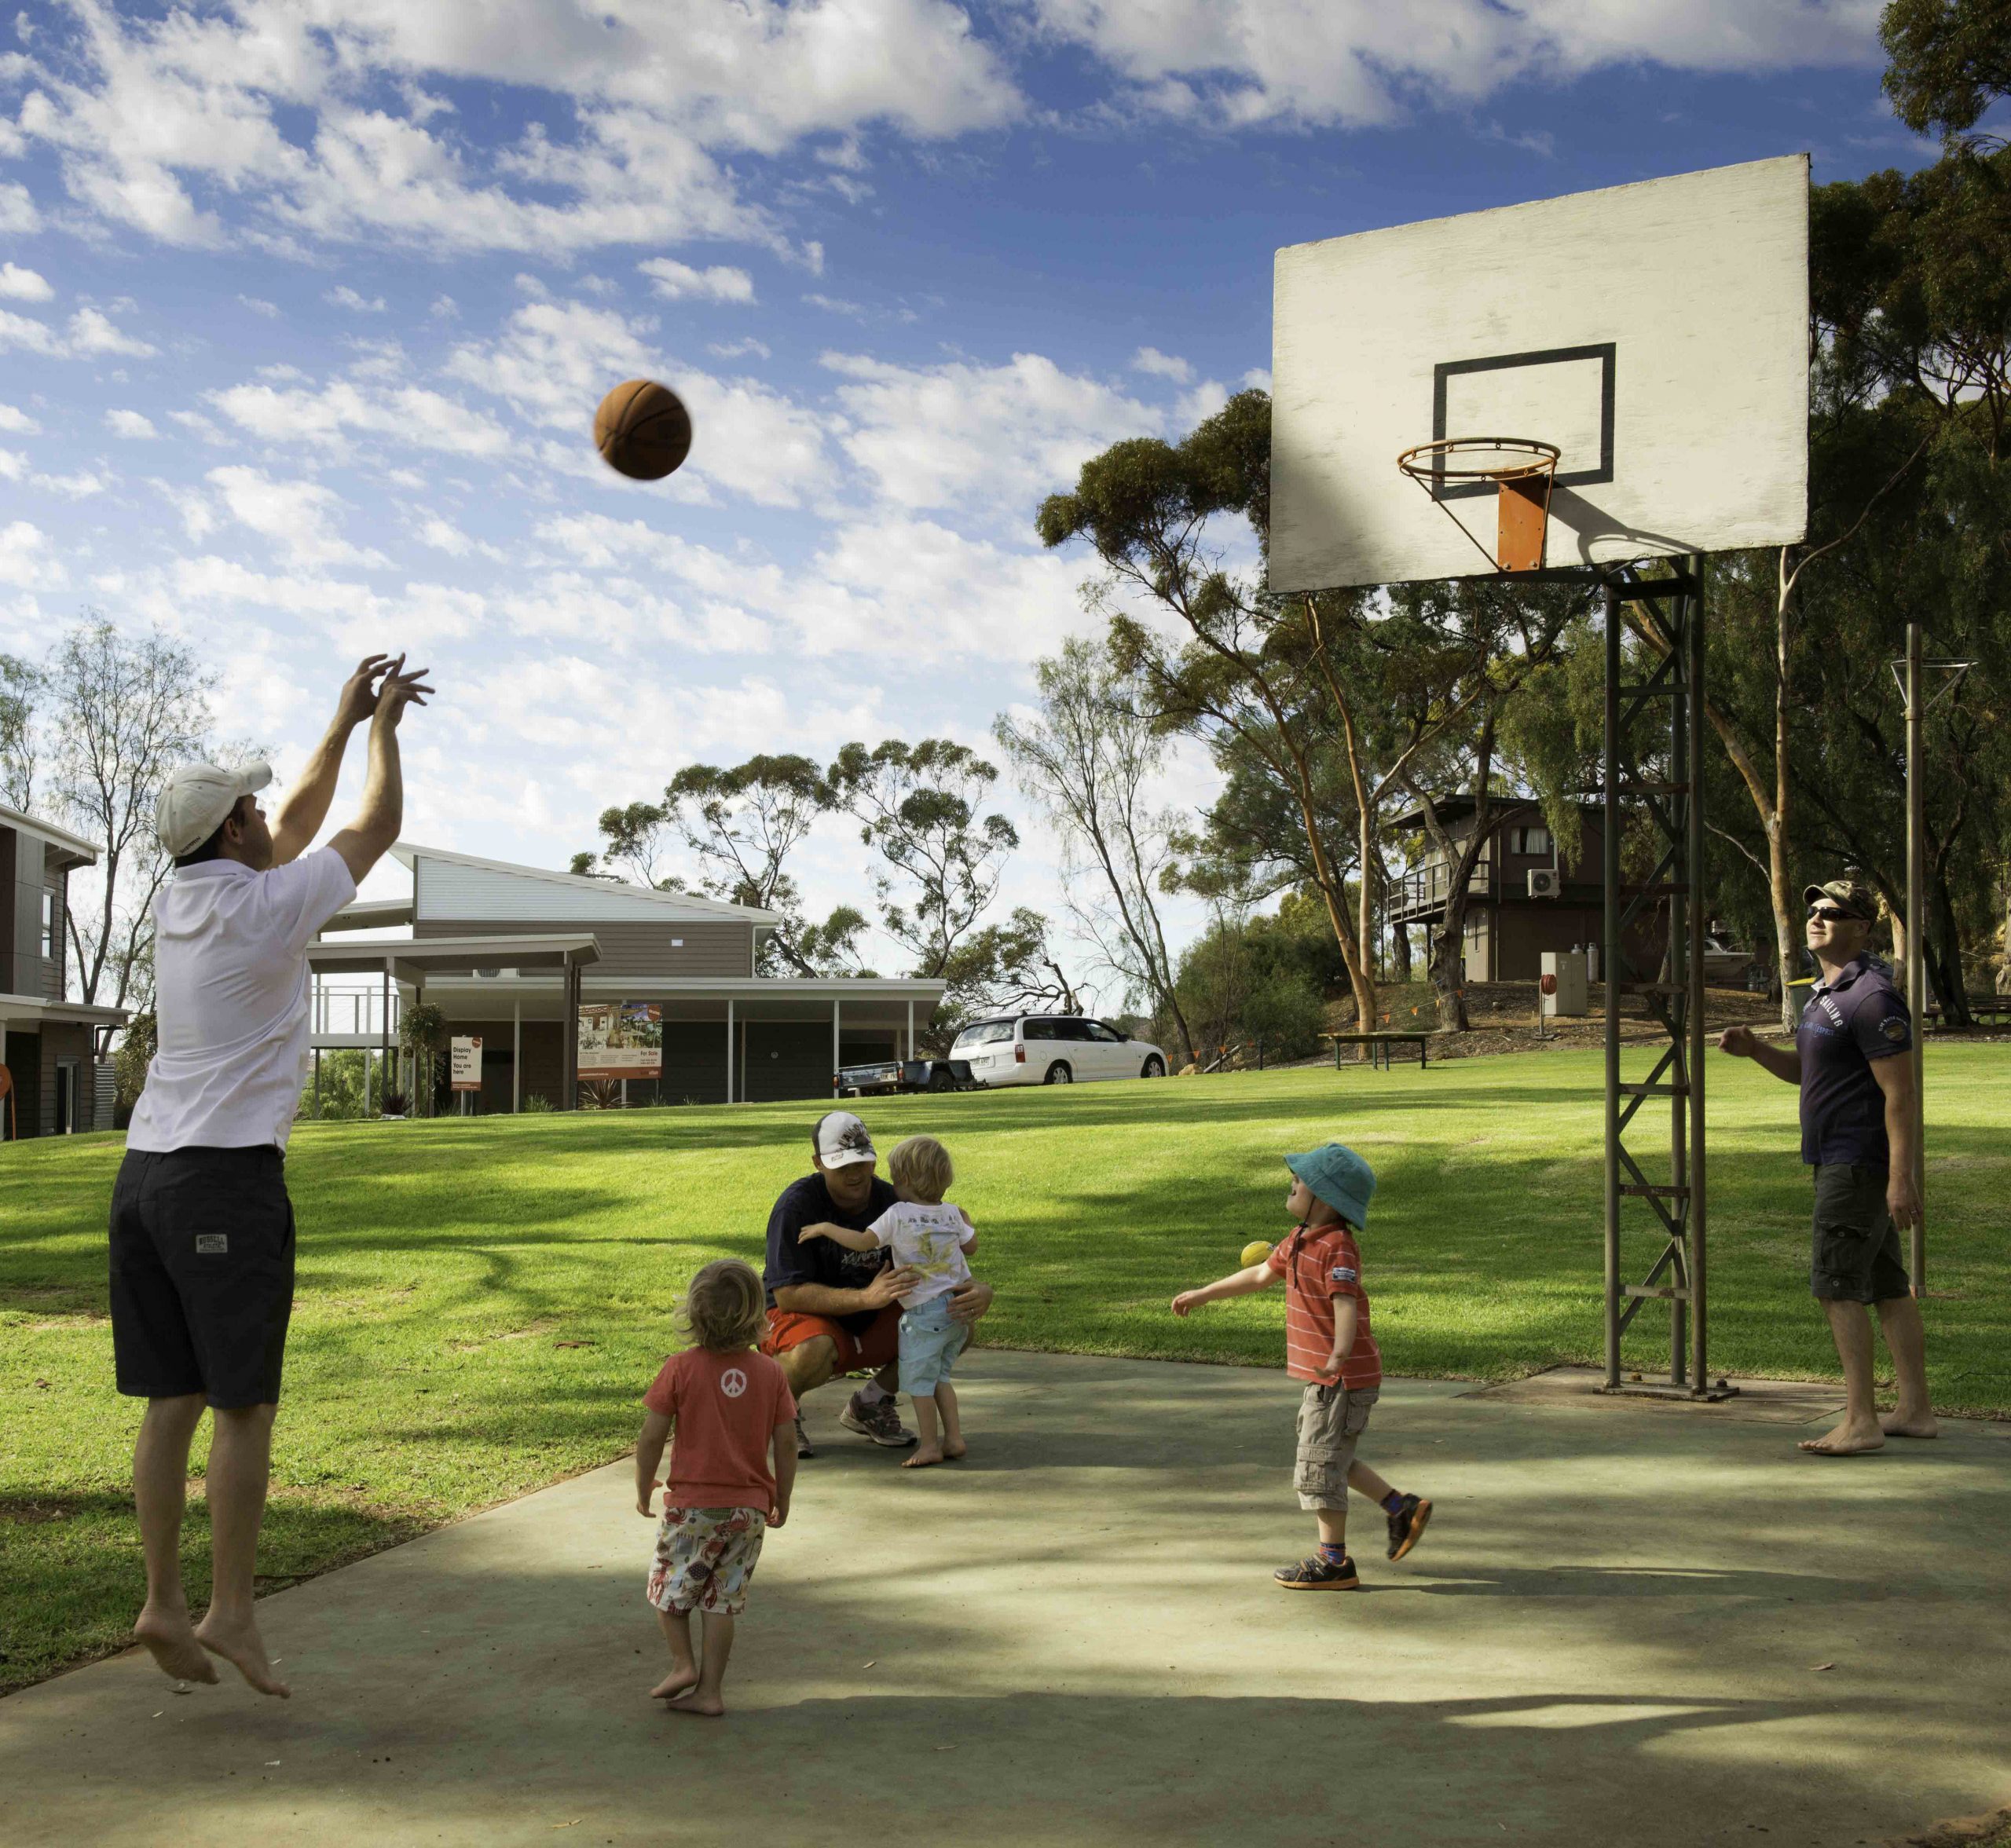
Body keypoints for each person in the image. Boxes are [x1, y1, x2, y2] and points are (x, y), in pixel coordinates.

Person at [112, 653, 431, 1696]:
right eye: (249, 807)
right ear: (234, 833)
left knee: (174, 1397)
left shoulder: (184, 895)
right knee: (243, 1403)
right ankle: (232, 1611)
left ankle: (164, 1597)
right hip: (221, 1182)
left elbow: (294, 819)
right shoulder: (265, 908)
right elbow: (368, 829)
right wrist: (385, 727)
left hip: (145, 1178)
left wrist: (337, 721)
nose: (264, 813)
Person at [1718, 877, 1937, 1456]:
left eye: (1833, 912)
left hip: (1856, 1164)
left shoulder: (1871, 998)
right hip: (1839, 1159)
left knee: (1836, 1285)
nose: (1816, 917)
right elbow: (1808, 1073)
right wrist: (1756, 1050)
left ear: (1861, 927)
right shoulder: (1822, 995)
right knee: (1889, 1286)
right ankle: (1914, 1409)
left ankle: (1860, 1420)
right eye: (1814, 909)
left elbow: (1901, 1094)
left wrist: (1900, 1176)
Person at [1170, 1142, 1430, 1590]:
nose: (1291, 1186)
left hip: (1340, 1377)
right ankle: (1400, 1508)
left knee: (1318, 1465)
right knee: (1330, 1457)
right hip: (1327, 1376)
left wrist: (1338, 1356)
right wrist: (1203, 1293)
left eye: (1299, 1183)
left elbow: (1345, 1305)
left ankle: (1334, 1562)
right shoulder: (1297, 1241)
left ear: (1324, 1199)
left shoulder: (1338, 1250)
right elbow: (1256, 1277)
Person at [760, 1111, 993, 1458]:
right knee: (813, 1350)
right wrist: (865, 1298)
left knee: (954, 1322)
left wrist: (979, 1289)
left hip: (875, 1310)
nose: (855, 1174)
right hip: (812, 1317)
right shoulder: (796, 1207)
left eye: (862, 1162)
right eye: (842, 1165)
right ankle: (781, 1414)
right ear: (818, 1163)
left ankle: (870, 1404)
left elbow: (937, 1259)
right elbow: (788, 1295)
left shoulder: (897, 1202)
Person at [635, 1259, 796, 1719]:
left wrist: (645, 1485)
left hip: (693, 1509)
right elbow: (785, 1442)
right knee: (721, 1601)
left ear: (694, 1313)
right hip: (748, 1512)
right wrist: (781, 1497)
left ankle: (683, 1664)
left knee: (667, 1590)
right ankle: (710, 1693)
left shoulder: (680, 1369)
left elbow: (651, 1436)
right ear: (757, 1315)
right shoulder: (770, 1373)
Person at [801, 1134, 976, 1469]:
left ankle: (929, 1445)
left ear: (906, 1181)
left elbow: (863, 1242)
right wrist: (967, 1224)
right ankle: (953, 1438)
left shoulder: (898, 1214)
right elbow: (971, 1248)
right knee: (940, 1378)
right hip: (954, 1313)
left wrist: (826, 1228)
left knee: (920, 1384)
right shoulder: (953, 1213)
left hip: (924, 1314)